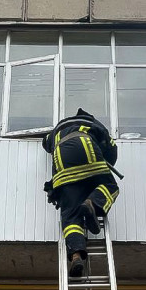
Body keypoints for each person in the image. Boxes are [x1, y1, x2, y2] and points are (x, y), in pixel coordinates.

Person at [42, 109, 120, 279]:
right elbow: (111, 147)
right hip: (87, 152)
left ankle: (76, 254)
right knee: (110, 186)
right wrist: (106, 163)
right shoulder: (91, 123)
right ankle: (93, 203)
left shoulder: (57, 130)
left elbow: (45, 143)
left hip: (63, 169)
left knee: (70, 217)